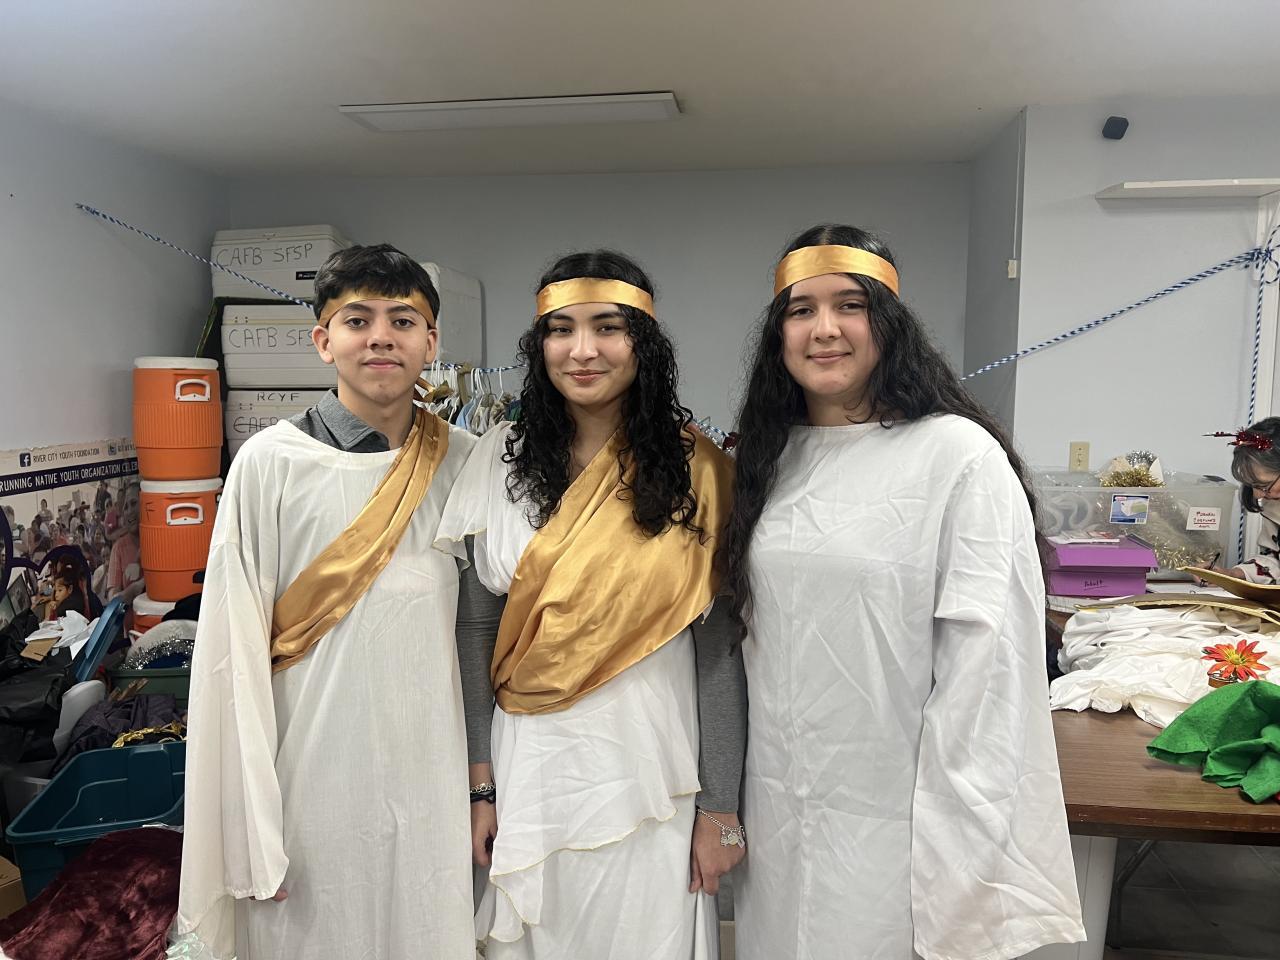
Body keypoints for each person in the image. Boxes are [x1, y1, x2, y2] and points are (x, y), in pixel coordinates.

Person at [722, 224, 1084, 960]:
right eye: (801, 310)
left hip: (899, 807)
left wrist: (961, 820)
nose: (824, 329)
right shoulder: (767, 461)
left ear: (888, 323)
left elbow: (990, 664)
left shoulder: (957, 456)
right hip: (781, 796)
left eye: (849, 306)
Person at [436, 250, 746, 959]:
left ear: (643, 343)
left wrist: (721, 808)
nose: (582, 350)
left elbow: (717, 652)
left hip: (653, 769)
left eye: (608, 327)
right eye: (561, 329)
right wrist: (481, 787)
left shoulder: (699, 473)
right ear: (539, 344)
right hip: (531, 768)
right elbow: (477, 628)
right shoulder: (499, 460)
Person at [170, 244, 476, 959]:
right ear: (323, 340)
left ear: (432, 343)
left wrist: (481, 791)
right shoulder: (269, 464)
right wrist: (247, 825)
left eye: (403, 320)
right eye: (357, 320)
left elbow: (481, 633)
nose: (381, 337)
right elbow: (230, 654)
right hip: (307, 779)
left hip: (431, 777)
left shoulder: (464, 461)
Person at [1210, 419, 1280, 582]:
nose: (1258, 495)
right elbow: (1273, 559)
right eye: (1252, 485)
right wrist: (1234, 575)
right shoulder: (1273, 506)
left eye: (1264, 485)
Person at [105, 482, 143, 602]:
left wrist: (143, 584)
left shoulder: (161, 538)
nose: (129, 511)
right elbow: (112, 598)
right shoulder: (118, 548)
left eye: (134, 503)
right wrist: (131, 591)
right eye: (125, 508)